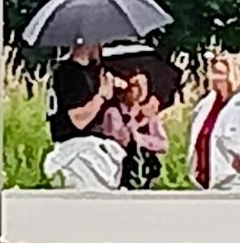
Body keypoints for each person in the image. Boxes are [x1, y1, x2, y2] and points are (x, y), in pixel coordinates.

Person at [187, 50, 240, 191]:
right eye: (213, 72)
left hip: (239, 189)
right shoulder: (203, 107)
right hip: (204, 189)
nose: (215, 78)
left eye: (221, 73)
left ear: (234, 75)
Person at [43, 42, 122, 189]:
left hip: (82, 152)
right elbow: (78, 120)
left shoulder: (88, 72)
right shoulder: (71, 74)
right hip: (79, 157)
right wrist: (101, 96)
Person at [100, 66, 169, 188]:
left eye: (144, 85)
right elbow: (122, 140)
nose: (142, 91)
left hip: (146, 174)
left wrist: (142, 139)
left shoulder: (149, 116)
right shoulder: (113, 112)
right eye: (137, 86)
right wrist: (133, 119)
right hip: (121, 173)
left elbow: (163, 144)